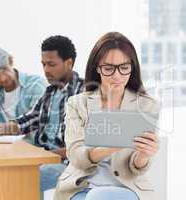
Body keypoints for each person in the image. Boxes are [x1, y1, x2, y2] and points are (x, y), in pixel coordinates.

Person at [54, 32, 159, 200]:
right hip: (82, 185)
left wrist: (144, 155)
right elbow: (76, 156)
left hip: (127, 186)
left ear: (132, 67)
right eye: (109, 68)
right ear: (97, 67)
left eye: (124, 68)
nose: (117, 76)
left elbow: (137, 167)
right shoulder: (77, 104)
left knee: (100, 196)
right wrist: (112, 146)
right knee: (96, 196)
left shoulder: (146, 105)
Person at [0, 36, 85, 192]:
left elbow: (85, 146)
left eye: (51, 64)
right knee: (1, 170)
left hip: (68, 164)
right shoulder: (50, 92)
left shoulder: (84, 93)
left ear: (69, 63)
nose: (46, 70)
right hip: (45, 158)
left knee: (23, 176)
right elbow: (28, 120)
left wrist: (47, 155)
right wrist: (1, 128)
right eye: (43, 64)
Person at [0, 47, 47, 140]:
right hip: (4, 149)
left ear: (10, 61)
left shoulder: (36, 85)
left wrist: (5, 128)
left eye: (4, 70)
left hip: (31, 148)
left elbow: (39, 120)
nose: (2, 78)